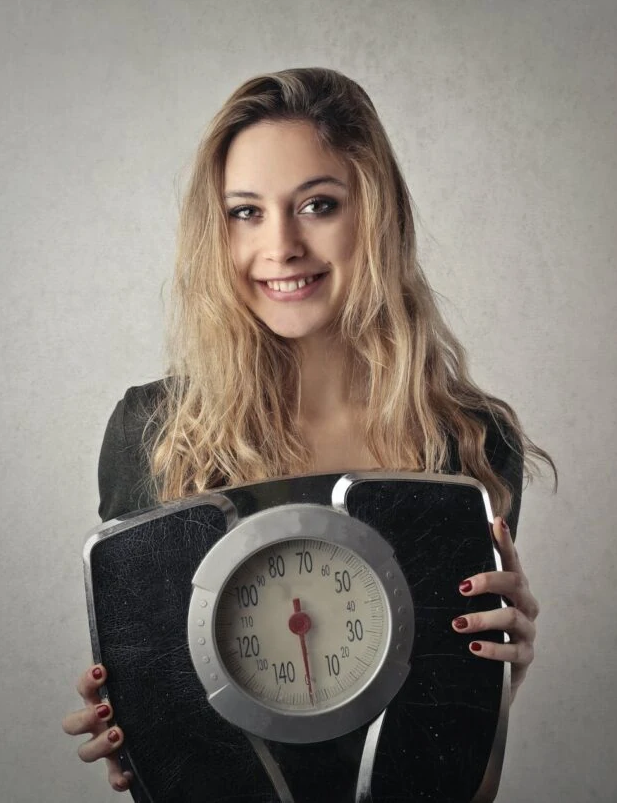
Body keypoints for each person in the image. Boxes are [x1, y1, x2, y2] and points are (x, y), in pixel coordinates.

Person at [62, 67, 557, 794]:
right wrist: (141, 737)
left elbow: (465, 789)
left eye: (318, 204)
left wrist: (493, 695)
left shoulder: (470, 442)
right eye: (245, 212)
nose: (282, 245)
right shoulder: (155, 433)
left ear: (376, 215)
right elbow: (170, 764)